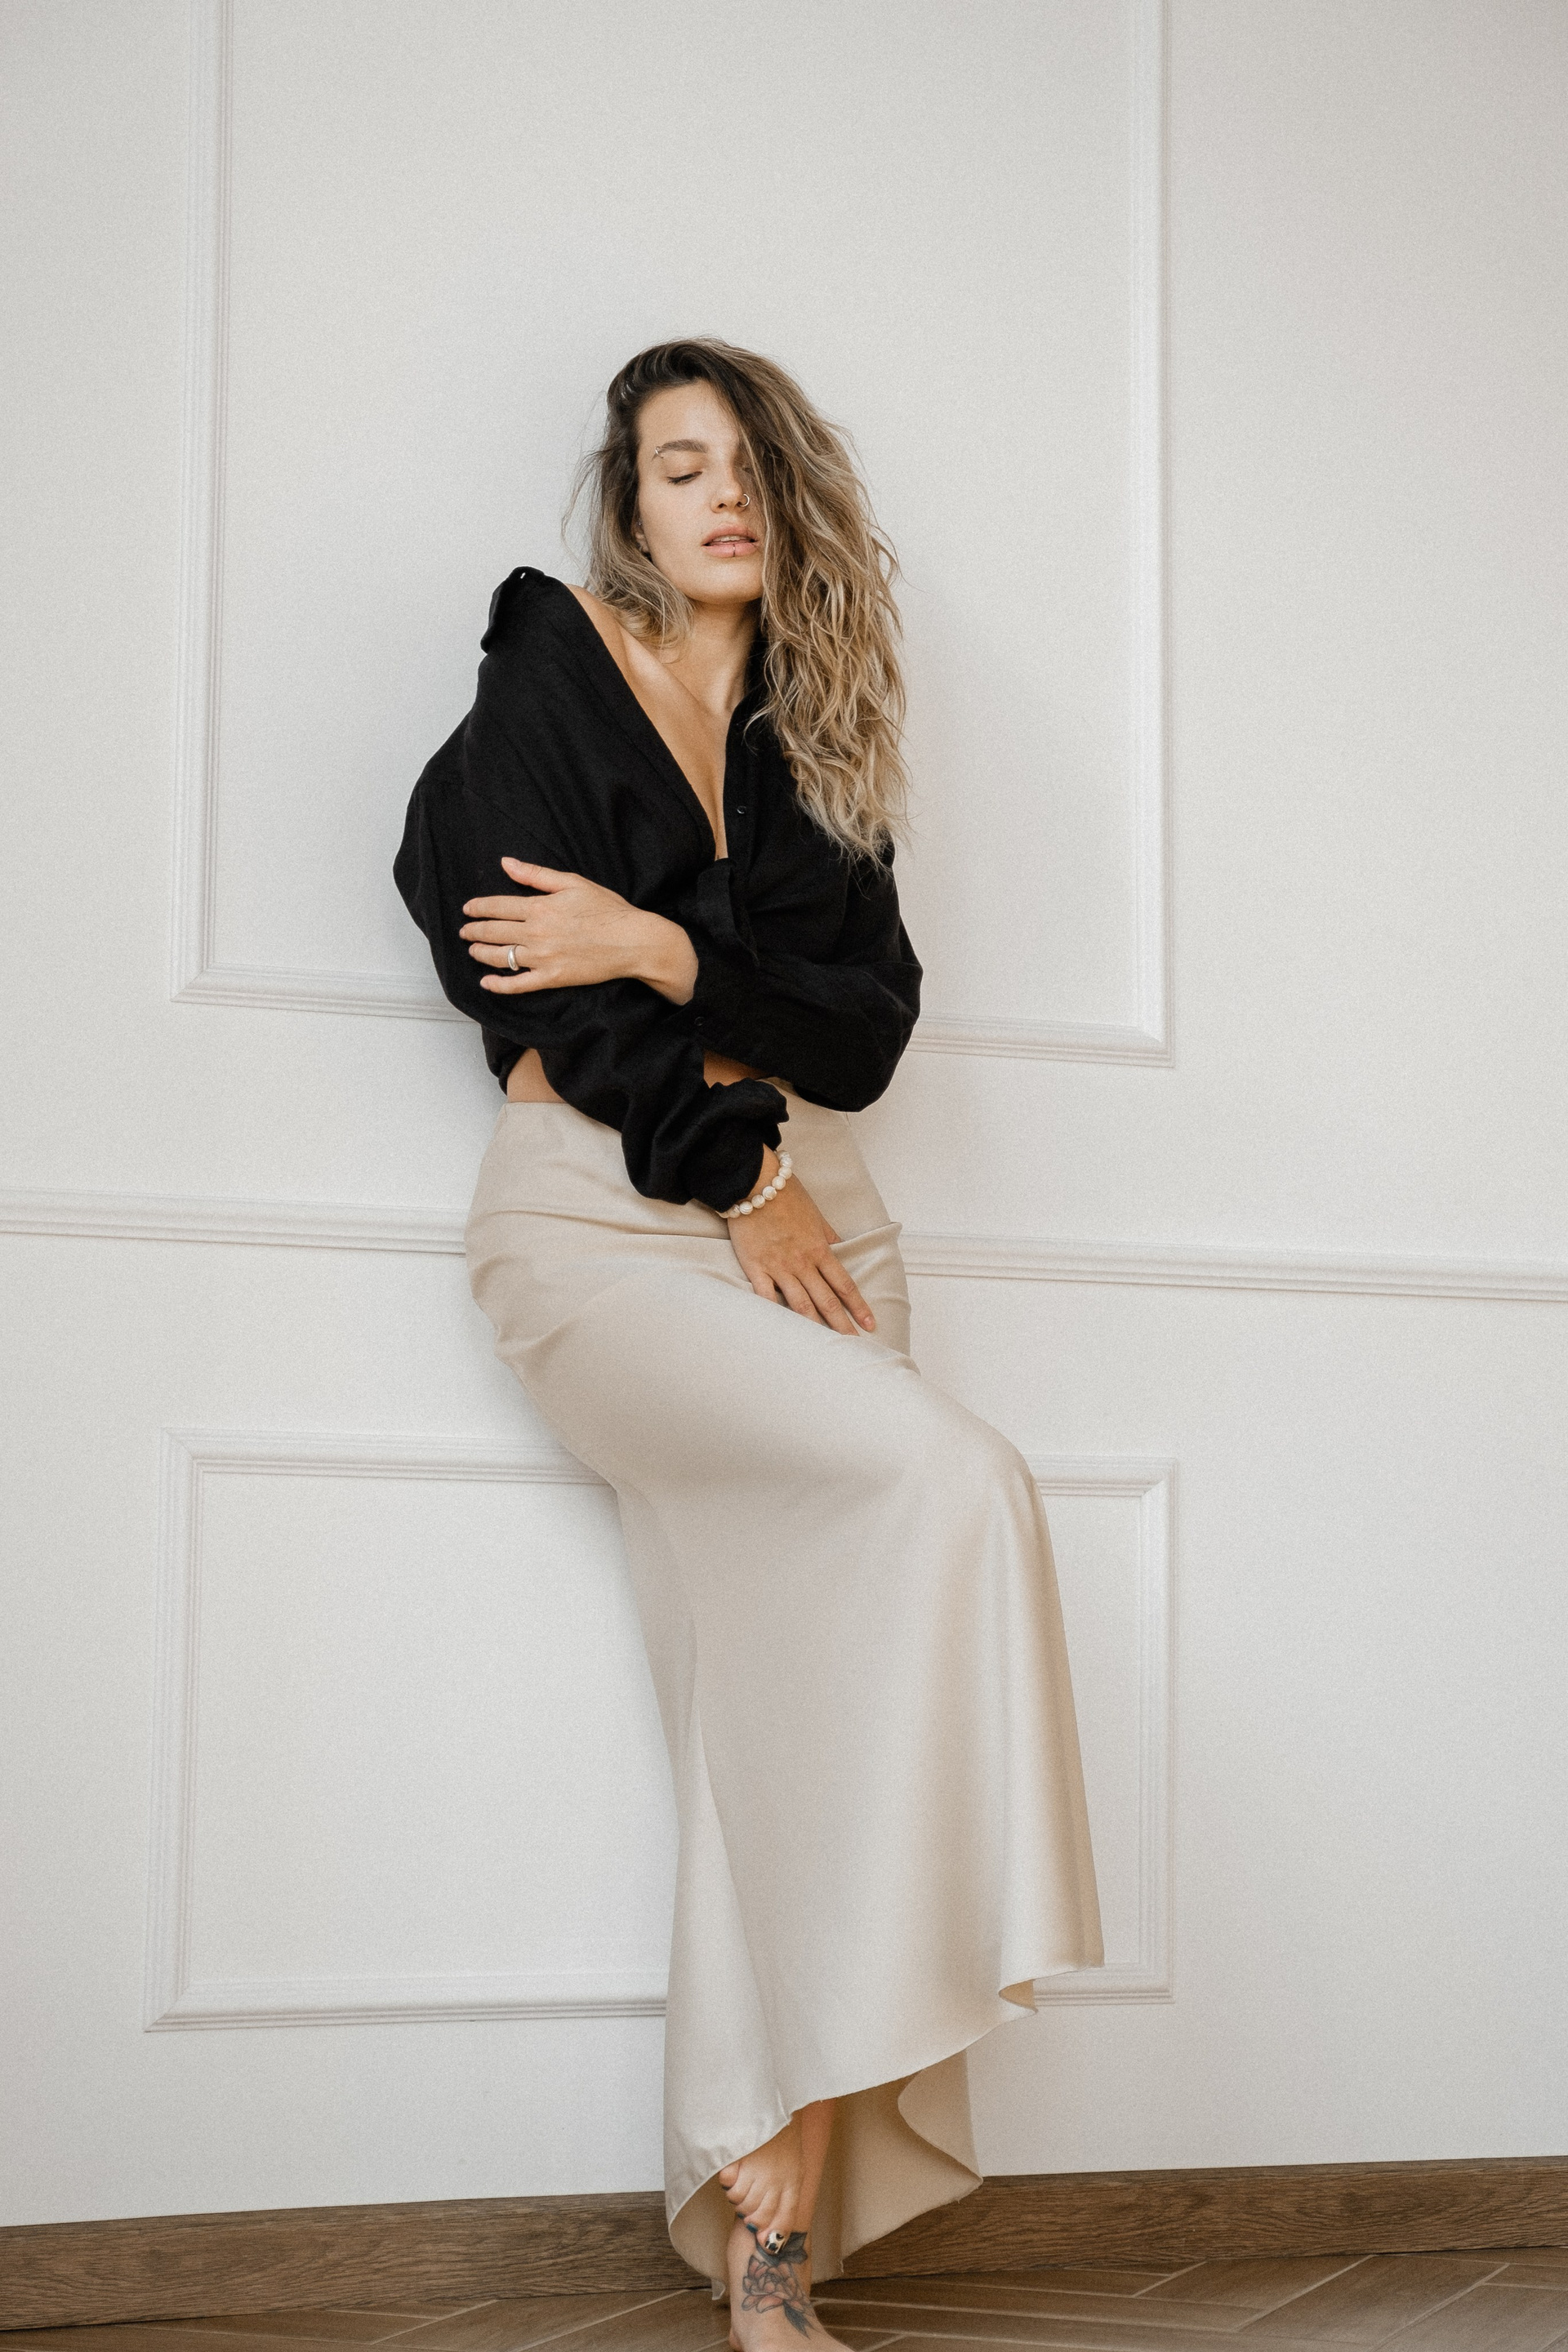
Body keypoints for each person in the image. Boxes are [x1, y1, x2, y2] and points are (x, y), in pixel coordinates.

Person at [394, 337, 1103, 2351]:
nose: (717, 497)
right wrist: (737, 1162)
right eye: (677, 465)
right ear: (628, 504)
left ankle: (768, 2226)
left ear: (788, 502)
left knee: (769, 1699)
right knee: (953, 1486)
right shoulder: (545, 678)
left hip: (827, 1224)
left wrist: (665, 943)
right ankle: (788, 2129)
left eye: (746, 468)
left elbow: (863, 1030)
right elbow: (523, 978)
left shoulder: (821, 734)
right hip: (607, 1223)